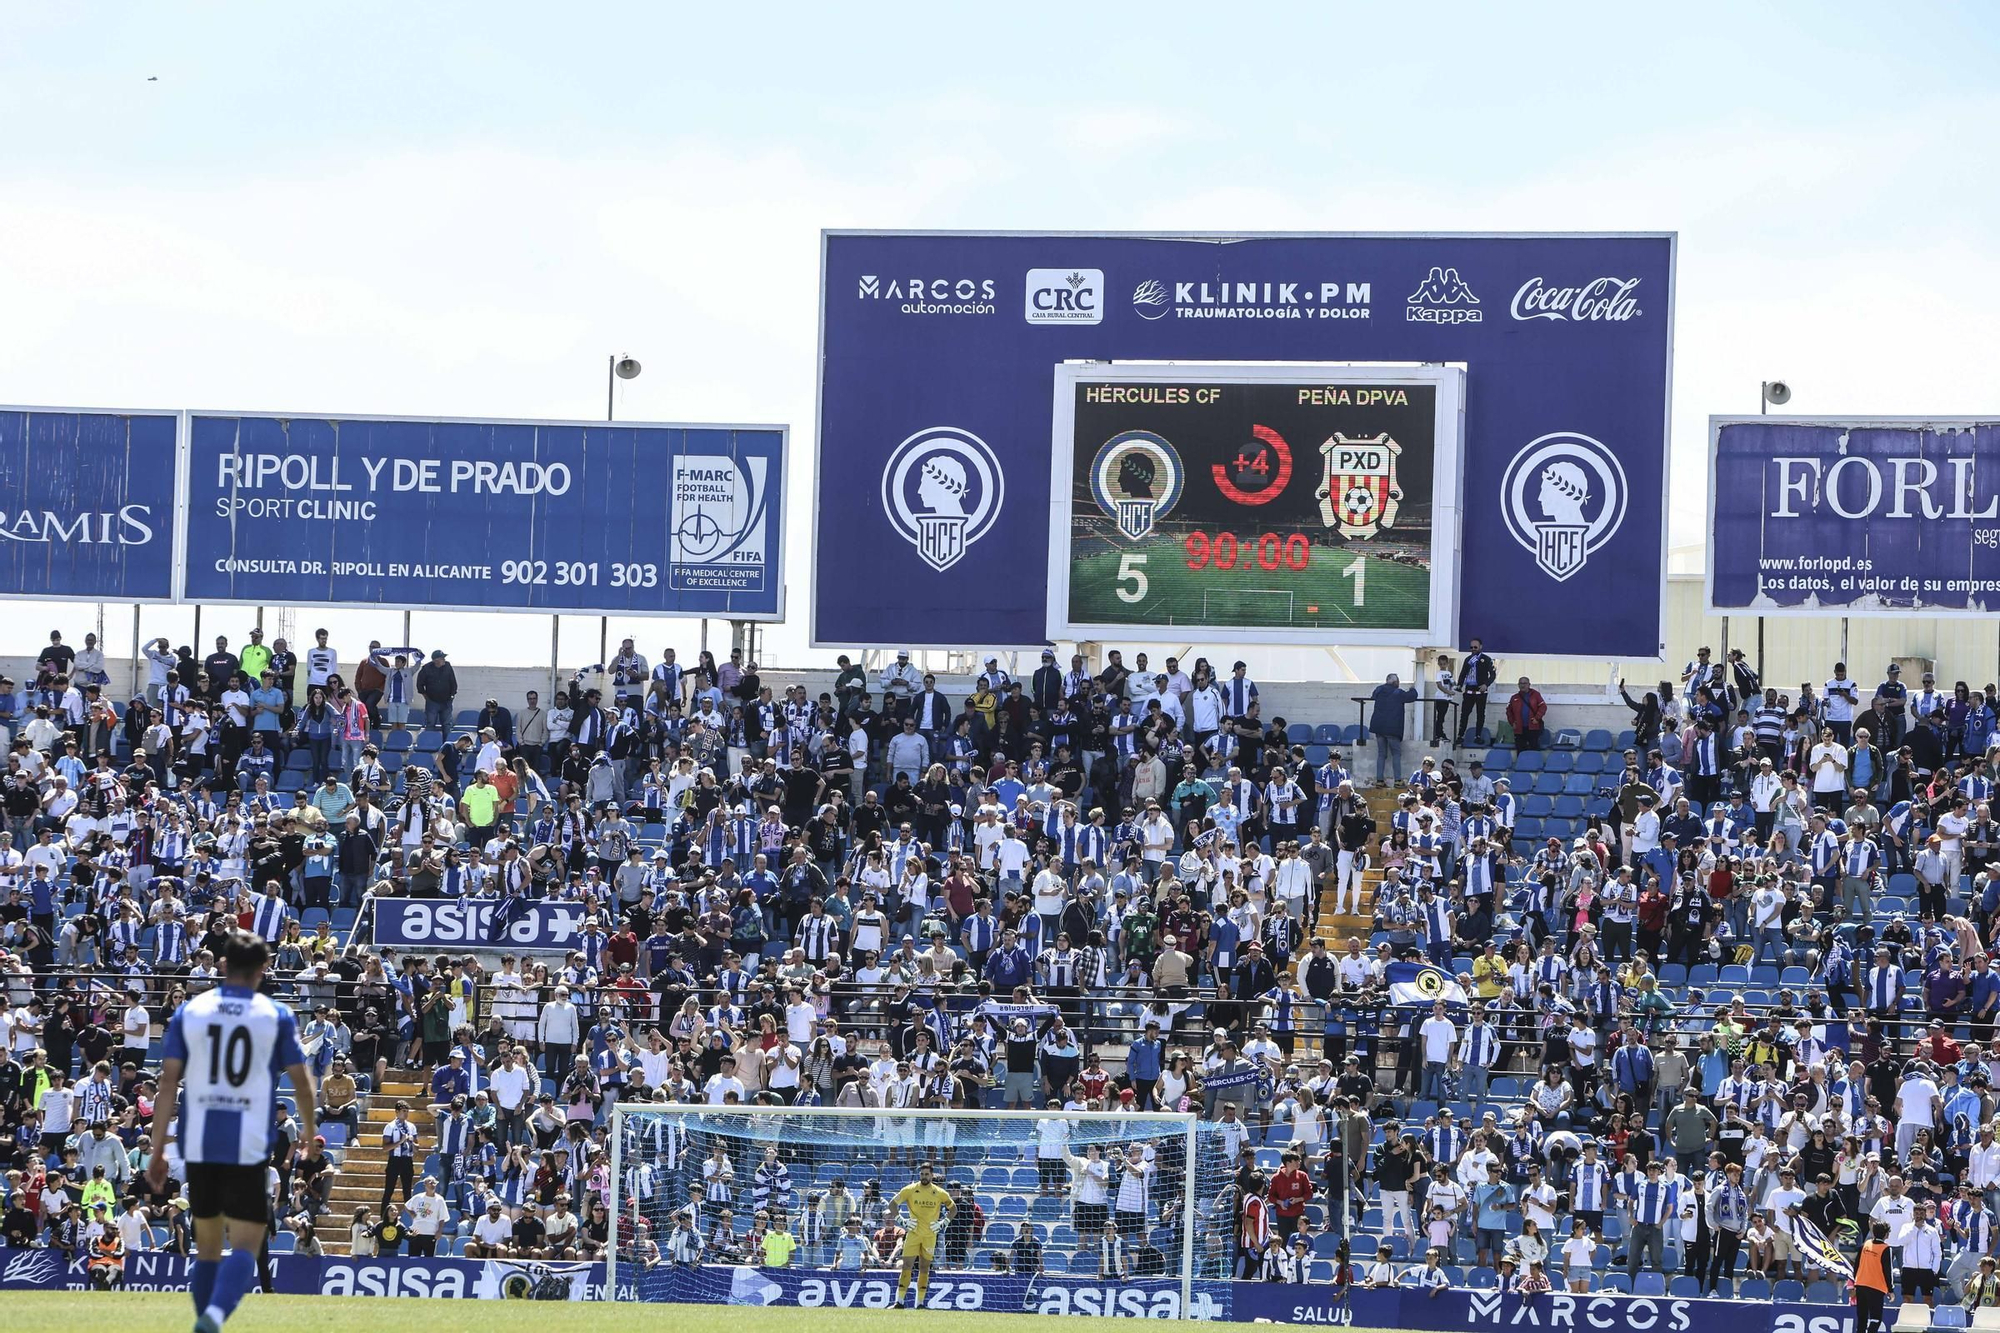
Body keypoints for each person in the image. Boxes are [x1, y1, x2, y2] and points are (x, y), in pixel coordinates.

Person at [146, 929, 319, 1333]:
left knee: (206, 1250)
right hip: (248, 1143)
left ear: (223, 964)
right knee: (246, 1246)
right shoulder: (275, 1014)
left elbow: (167, 1085)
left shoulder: (191, 1011)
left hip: (199, 1142)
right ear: (264, 969)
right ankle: (214, 1319)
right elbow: (302, 1082)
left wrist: (157, 1150)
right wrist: (309, 1131)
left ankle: (205, 1321)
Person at [890, 1160, 954, 1309]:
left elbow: (954, 1209)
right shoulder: (910, 1189)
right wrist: (901, 1220)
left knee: (925, 1268)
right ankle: (899, 1302)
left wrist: (943, 1223)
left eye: (926, 1174)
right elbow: (892, 1204)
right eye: (922, 1174)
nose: (924, 1176)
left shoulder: (939, 1193)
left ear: (932, 1175)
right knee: (906, 1266)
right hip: (913, 1234)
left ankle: (920, 1303)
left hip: (930, 1236)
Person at [1855, 1221, 1893, 1333]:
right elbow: (1888, 1271)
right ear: (1886, 1234)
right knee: (1876, 1319)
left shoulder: (1865, 1245)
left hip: (1860, 1285)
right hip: (1876, 1287)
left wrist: (1855, 1283)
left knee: (1862, 1319)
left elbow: (1856, 1265)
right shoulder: (1886, 1248)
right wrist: (1890, 1290)